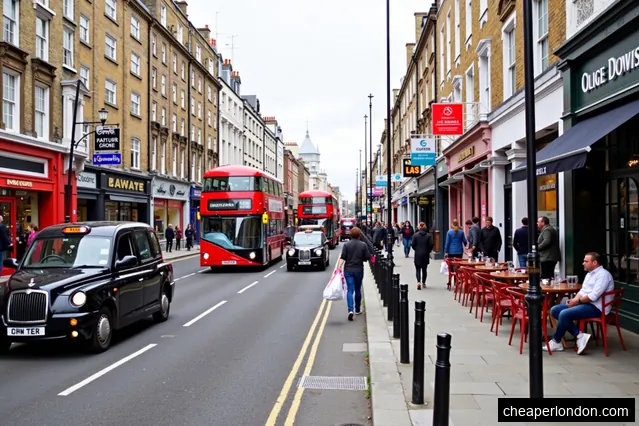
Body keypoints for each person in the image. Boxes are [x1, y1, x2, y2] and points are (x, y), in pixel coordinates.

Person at [546, 252, 614, 354]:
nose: (583, 263)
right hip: (586, 304)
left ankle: (556, 341)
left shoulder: (603, 275)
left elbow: (593, 297)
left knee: (564, 314)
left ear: (595, 263)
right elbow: (582, 291)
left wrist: (577, 301)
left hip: (598, 307)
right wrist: (574, 300)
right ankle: (579, 335)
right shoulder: (589, 274)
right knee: (554, 310)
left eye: (586, 261)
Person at [336, 227, 371, 321]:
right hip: (359, 270)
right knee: (358, 289)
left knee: (350, 290)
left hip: (348, 270)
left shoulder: (346, 245)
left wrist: (338, 268)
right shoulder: (363, 245)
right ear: (359, 235)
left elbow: (343, 257)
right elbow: (367, 257)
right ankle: (358, 309)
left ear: (350, 235)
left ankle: (350, 310)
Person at [411, 222, 434, 290]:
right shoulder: (428, 236)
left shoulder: (415, 235)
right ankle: (423, 282)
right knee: (424, 269)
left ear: (418, 227)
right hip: (425, 254)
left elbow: (413, 244)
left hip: (418, 254)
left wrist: (416, 249)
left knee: (417, 269)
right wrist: (428, 251)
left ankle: (418, 282)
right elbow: (431, 245)